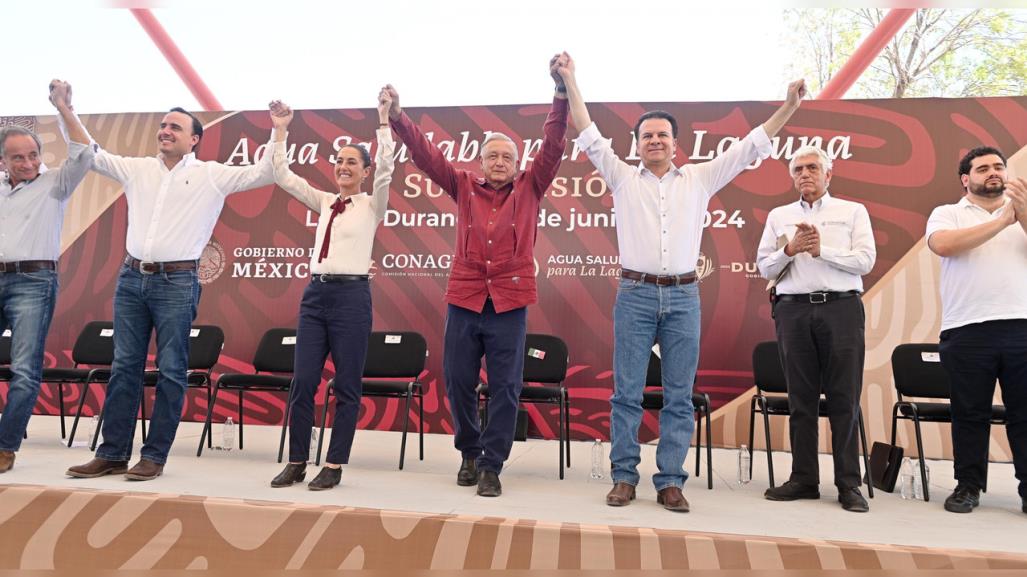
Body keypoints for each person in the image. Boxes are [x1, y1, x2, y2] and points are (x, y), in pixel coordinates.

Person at [557, 53, 804, 512]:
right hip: (634, 295)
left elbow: (750, 146)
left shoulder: (699, 178)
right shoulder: (622, 178)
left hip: (684, 296)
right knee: (626, 393)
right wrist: (571, 80)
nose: (655, 140)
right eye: (647, 135)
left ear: (675, 144)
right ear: (636, 144)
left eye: (662, 135)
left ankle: (670, 481)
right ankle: (624, 478)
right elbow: (588, 133)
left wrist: (788, 106)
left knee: (678, 396)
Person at [64, 91, 279, 481]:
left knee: (171, 370)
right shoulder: (138, 169)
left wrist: (279, 131)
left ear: (194, 139)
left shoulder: (210, 175)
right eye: (163, 125)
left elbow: (264, 173)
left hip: (177, 282)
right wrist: (66, 109)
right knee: (124, 367)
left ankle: (154, 457)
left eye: (174, 127)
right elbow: (89, 153)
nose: (165, 131)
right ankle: (111, 453)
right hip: (131, 279)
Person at [382, 56, 569, 497]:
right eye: (492, 156)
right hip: (465, 298)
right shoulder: (463, 185)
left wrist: (560, 93)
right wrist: (398, 118)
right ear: (481, 162)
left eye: (507, 156)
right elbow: (427, 157)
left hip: (510, 302)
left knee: (505, 387)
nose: (500, 162)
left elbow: (554, 144)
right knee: (458, 381)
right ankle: (469, 450)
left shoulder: (532, 186)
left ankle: (491, 465)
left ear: (517, 162)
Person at [267, 91, 396, 490]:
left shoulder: (373, 204)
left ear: (365, 170)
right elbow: (282, 176)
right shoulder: (324, 201)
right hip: (315, 297)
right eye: (339, 162)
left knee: (346, 386)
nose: (342, 167)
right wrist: (280, 131)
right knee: (304, 380)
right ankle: (297, 460)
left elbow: (388, 170)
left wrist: (383, 121)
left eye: (351, 162)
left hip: (351, 299)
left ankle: (335, 464)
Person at [756, 145, 876, 512]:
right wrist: (790, 249)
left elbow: (866, 261)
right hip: (793, 311)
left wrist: (823, 251)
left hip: (841, 308)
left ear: (829, 173)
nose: (804, 174)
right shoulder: (780, 215)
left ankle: (848, 484)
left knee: (844, 399)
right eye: (797, 169)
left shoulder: (853, 211)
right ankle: (804, 478)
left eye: (812, 168)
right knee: (801, 400)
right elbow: (765, 267)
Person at [926, 147, 1027, 515]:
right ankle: (968, 487)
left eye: (999, 166)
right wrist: (1002, 221)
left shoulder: (1022, 210)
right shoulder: (948, 214)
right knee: (970, 413)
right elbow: (945, 246)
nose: (994, 172)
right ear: (966, 179)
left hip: (1022, 326)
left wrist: (1020, 212)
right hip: (967, 328)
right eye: (983, 168)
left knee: (1024, 414)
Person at [0, 80, 94, 473]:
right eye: (18, 158)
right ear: (3, 161)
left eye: (33, 155)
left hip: (33, 283)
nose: (28, 163)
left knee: (24, 370)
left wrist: (64, 109)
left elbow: (85, 152)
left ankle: (5, 447)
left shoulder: (56, 183)